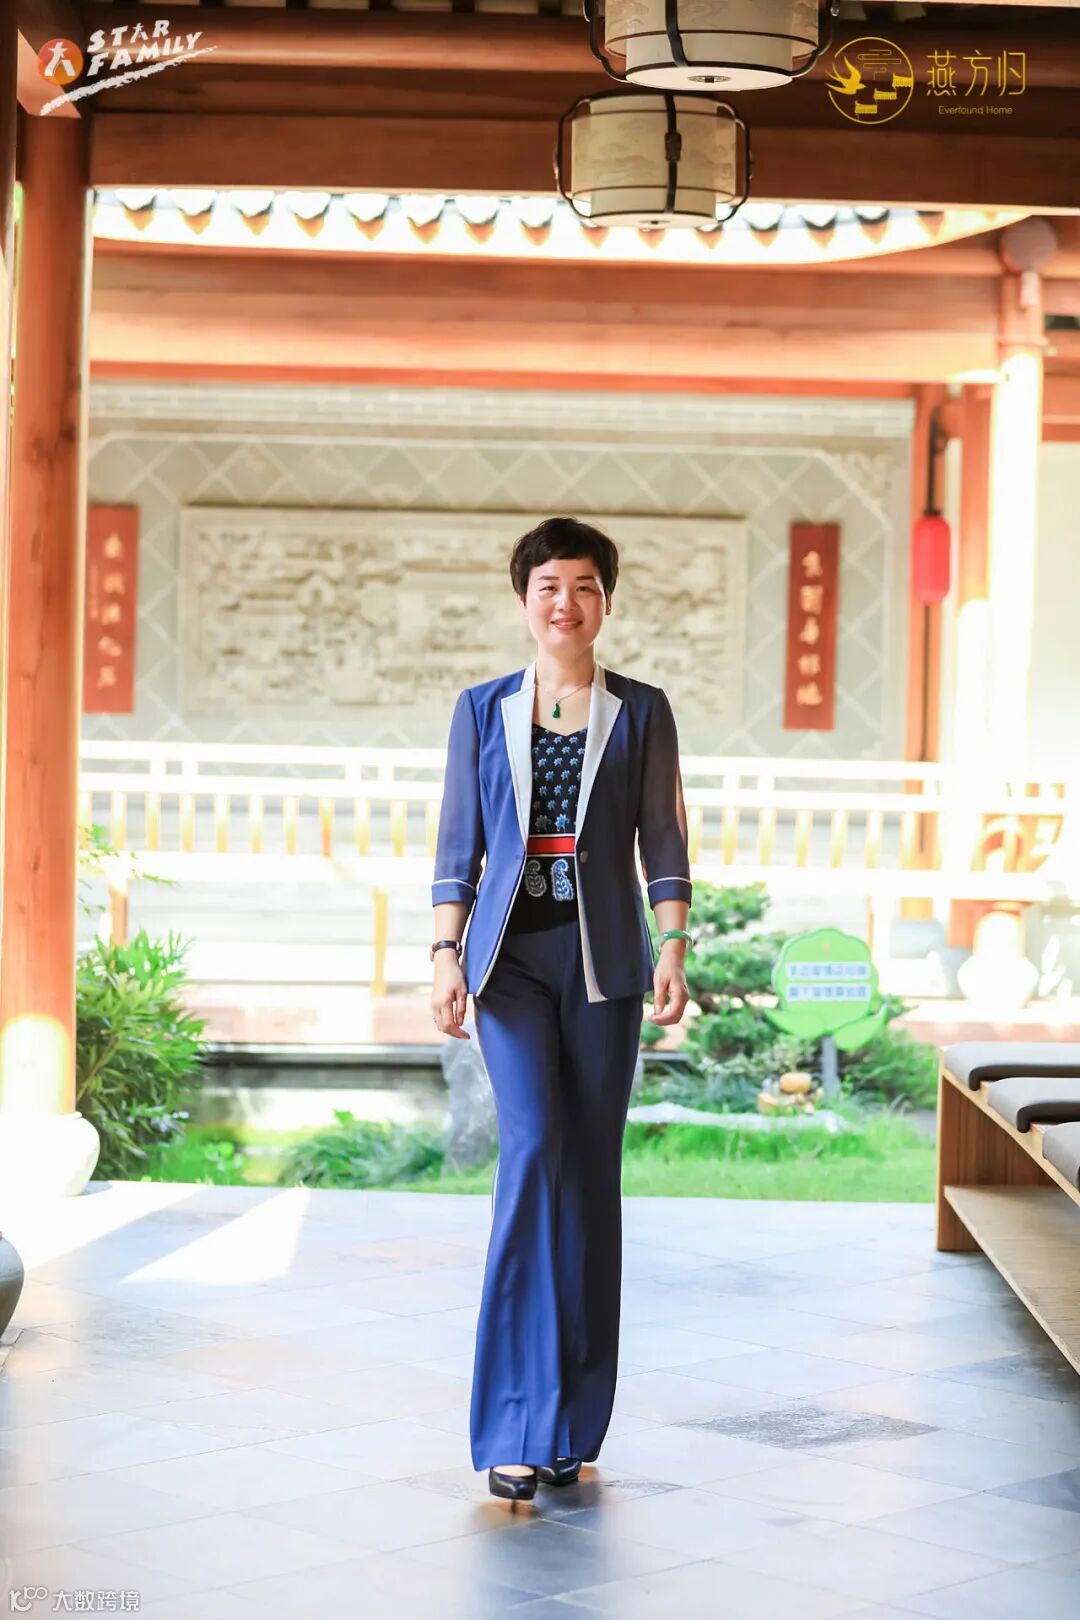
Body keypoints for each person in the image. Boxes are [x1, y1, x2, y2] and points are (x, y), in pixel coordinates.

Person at [429, 516, 692, 1503]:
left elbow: (663, 836)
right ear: (523, 600)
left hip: (605, 965)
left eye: (584, 586)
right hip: (509, 965)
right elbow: (458, 844)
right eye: (548, 586)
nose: (565, 603)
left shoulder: (642, 711)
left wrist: (674, 945)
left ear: (605, 602)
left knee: (588, 1177)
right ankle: (514, 1420)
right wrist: (445, 953)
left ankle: (573, 1424)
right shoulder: (480, 709)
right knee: (535, 1155)